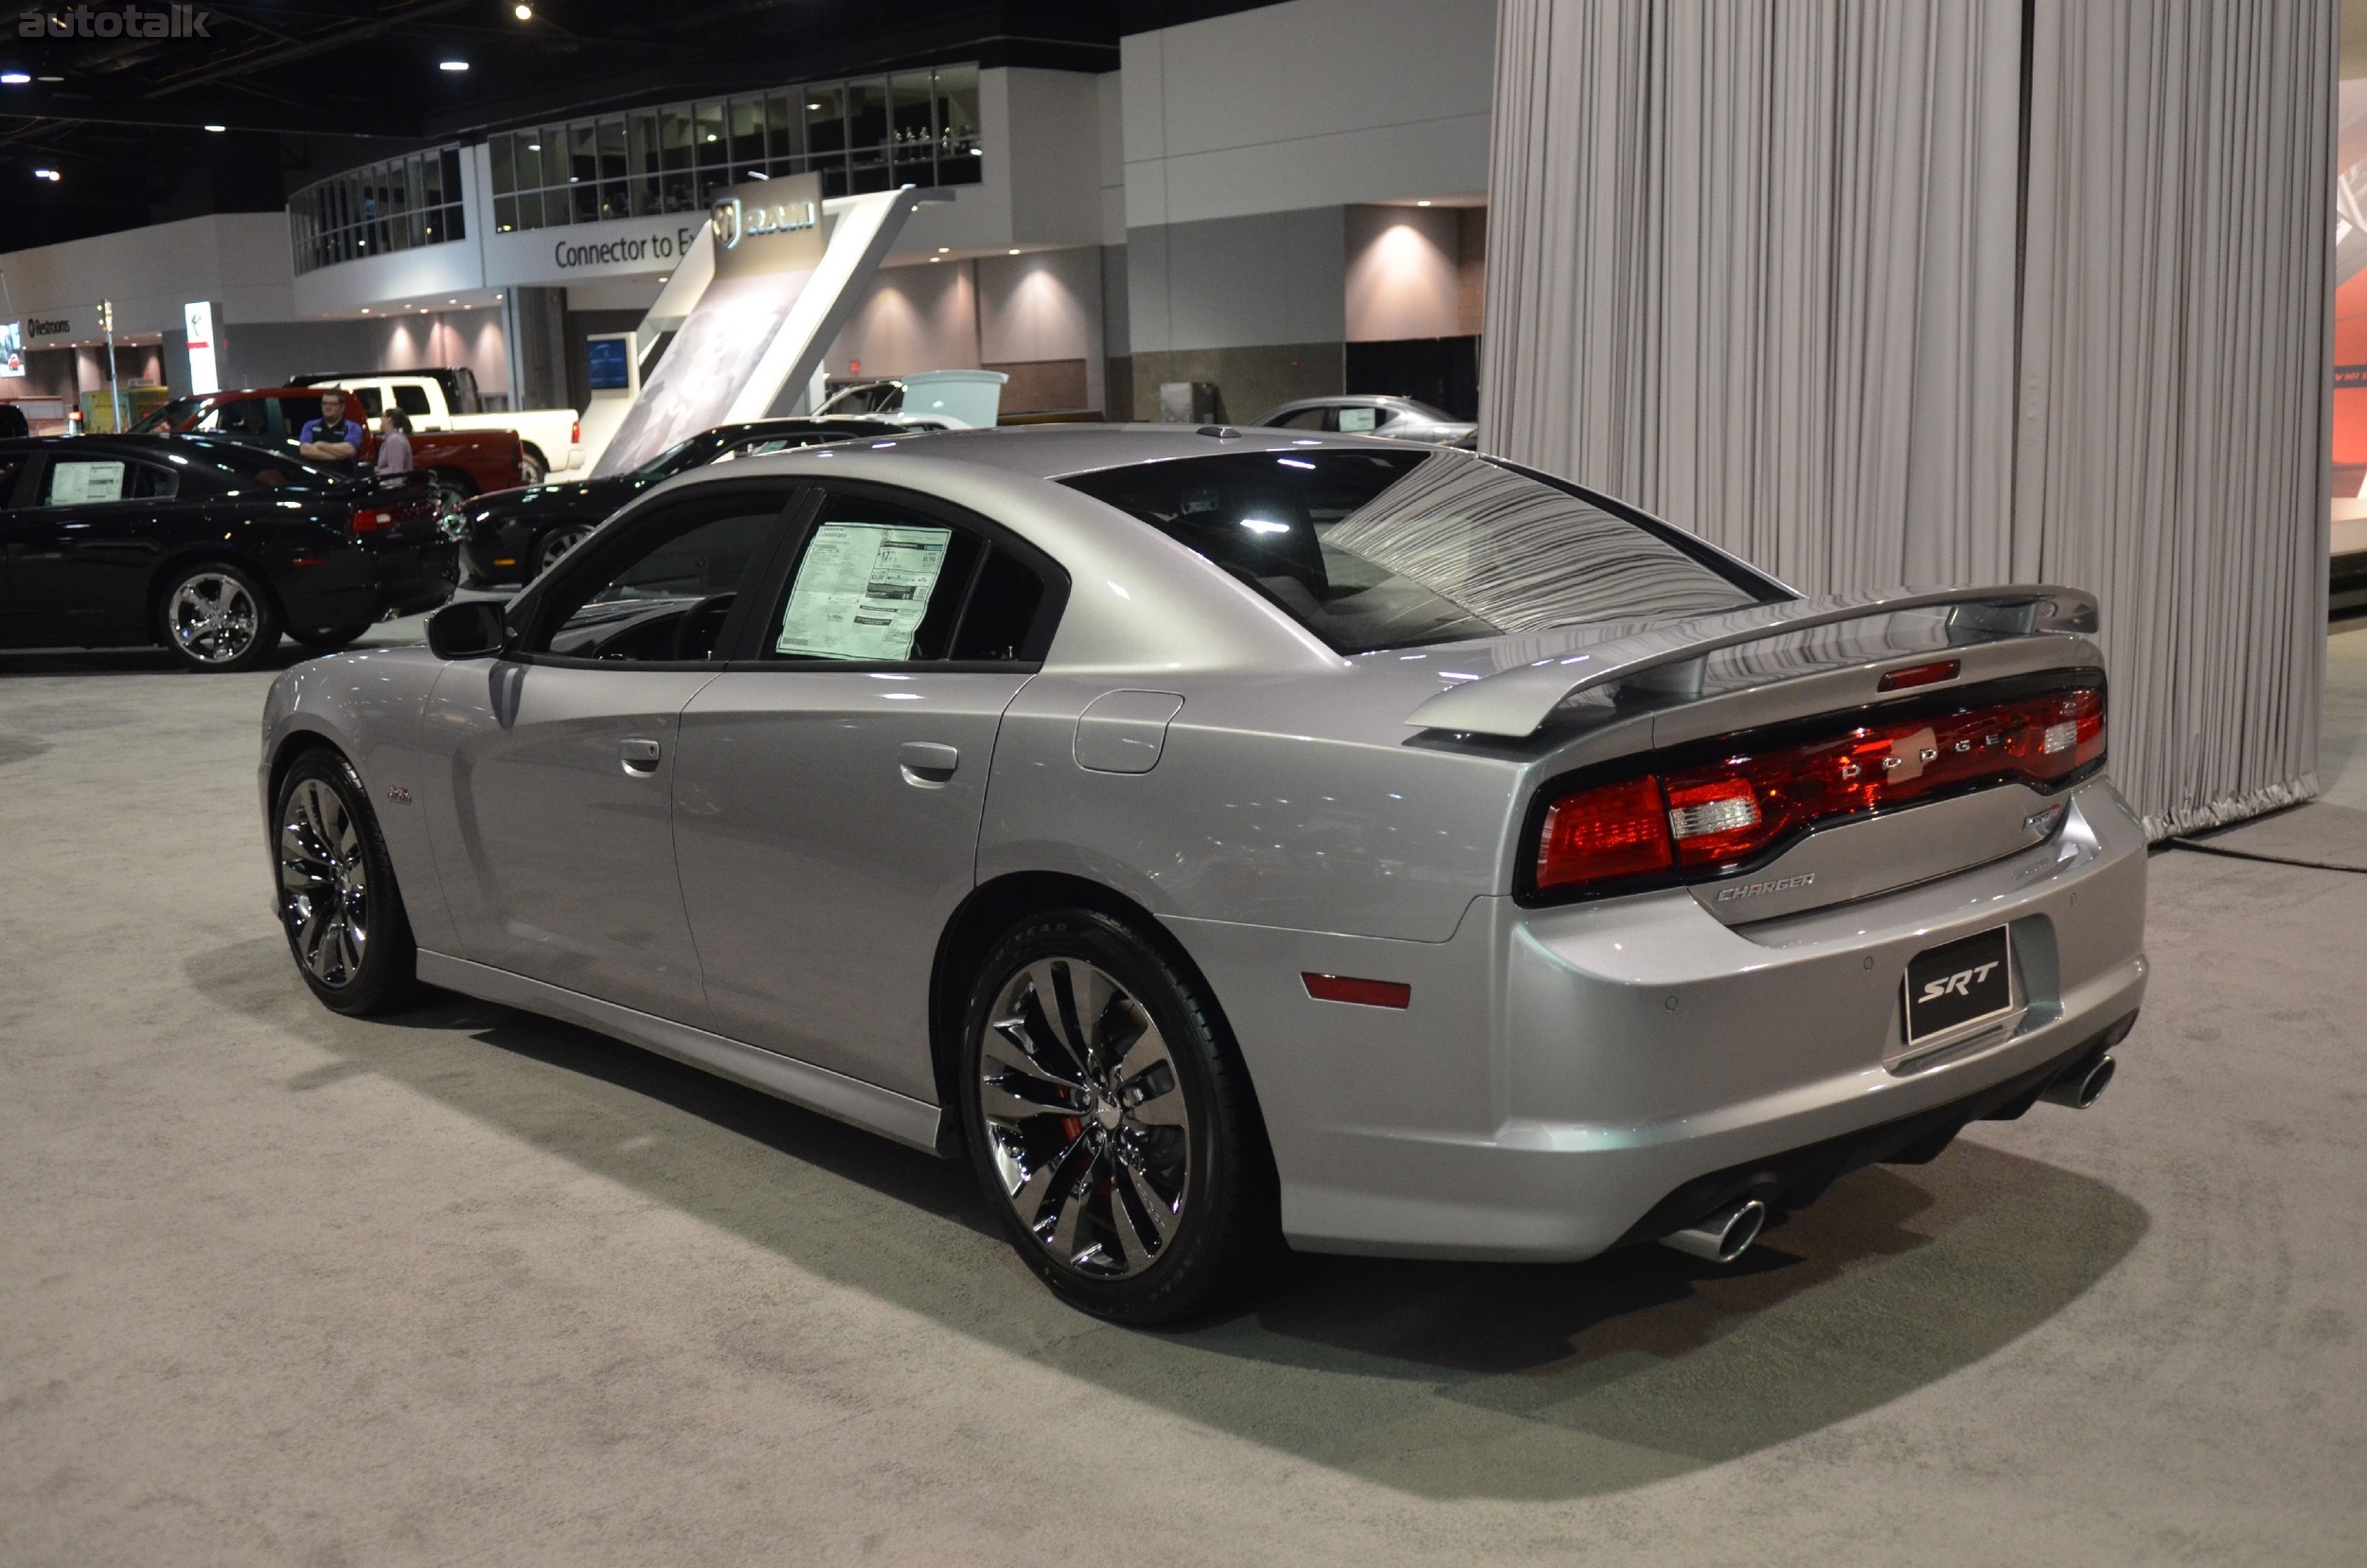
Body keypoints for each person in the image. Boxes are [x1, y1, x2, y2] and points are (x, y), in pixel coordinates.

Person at [296, 389, 365, 472]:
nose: (327, 407)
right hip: (316, 478)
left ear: (342, 407)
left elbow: (349, 450)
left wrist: (320, 445)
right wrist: (338, 456)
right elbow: (305, 450)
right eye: (324, 403)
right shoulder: (310, 425)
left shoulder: (353, 427)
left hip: (344, 478)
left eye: (332, 404)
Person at [375, 409, 414, 477]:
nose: (380, 418)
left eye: (383, 416)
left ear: (390, 419)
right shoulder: (392, 439)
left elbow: (396, 473)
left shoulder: (395, 440)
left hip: (393, 487)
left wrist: (379, 471)